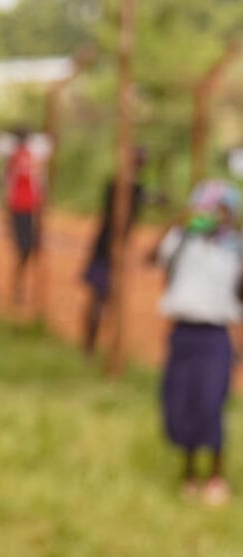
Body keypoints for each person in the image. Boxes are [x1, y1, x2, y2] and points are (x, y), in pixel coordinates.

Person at [155, 180, 242, 506]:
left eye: (221, 210)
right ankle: (189, 474)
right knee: (181, 402)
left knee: (211, 404)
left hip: (216, 336)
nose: (213, 216)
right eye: (207, 209)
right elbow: (152, 256)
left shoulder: (236, 249)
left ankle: (216, 476)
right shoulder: (181, 242)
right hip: (182, 332)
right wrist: (180, 223)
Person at [81, 149, 148, 354]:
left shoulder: (125, 186)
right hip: (108, 248)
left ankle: (94, 346)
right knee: (101, 297)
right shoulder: (121, 186)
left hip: (111, 247)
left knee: (105, 297)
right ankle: (91, 346)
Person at [3, 128, 44, 307]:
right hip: (19, 208)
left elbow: (38, 183)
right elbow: (8, 184)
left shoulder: (31, 158)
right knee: (23, 248)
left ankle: (22, 285)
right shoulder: (14, 159)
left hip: (28, 208)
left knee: (29, 248)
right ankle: (18, 286)